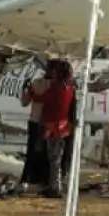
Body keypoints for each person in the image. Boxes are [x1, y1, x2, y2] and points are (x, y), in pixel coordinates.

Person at [35, 60, 76, 198]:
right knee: (57, 157)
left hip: (52, 126)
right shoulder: (69, 88)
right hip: (63, 126)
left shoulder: (55, 88)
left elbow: (43, 99)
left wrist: (31, 92)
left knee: (54, 158)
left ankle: (55, 186)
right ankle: (56, 184)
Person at [19, 71, 49, 193]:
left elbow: (24, 102)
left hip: (36, 122)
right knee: (45, 154)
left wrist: (25, 90)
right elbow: (25, 102)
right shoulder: (55, 85)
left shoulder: (36, 84)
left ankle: (28, 180)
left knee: (33, 153)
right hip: (46, 123)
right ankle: (40, 181)